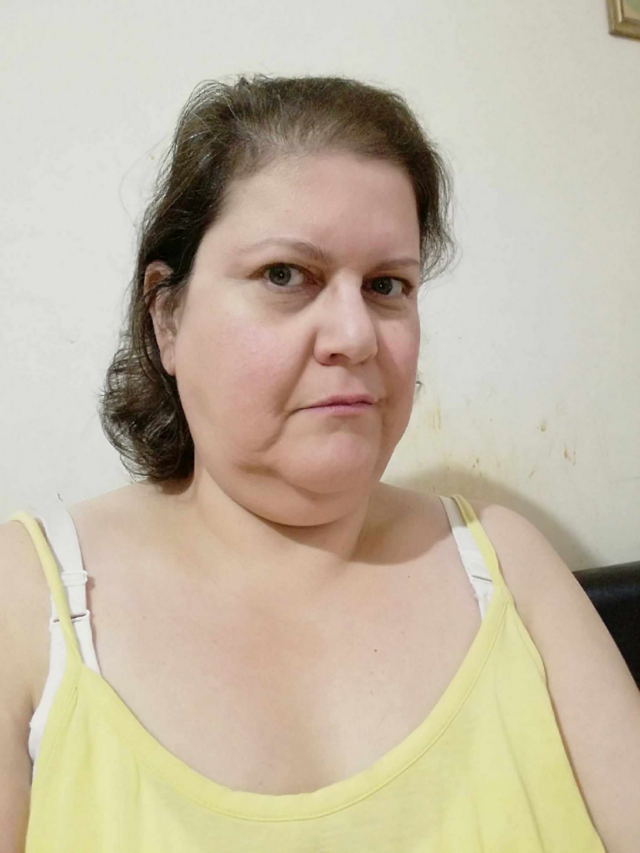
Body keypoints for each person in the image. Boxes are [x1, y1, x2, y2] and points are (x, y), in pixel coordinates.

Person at [1, 73, 638, 852]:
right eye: (284, 275)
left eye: (386, 285)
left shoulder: (507, 563)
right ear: (168, 316)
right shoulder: (27, 597)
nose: (356, 335)